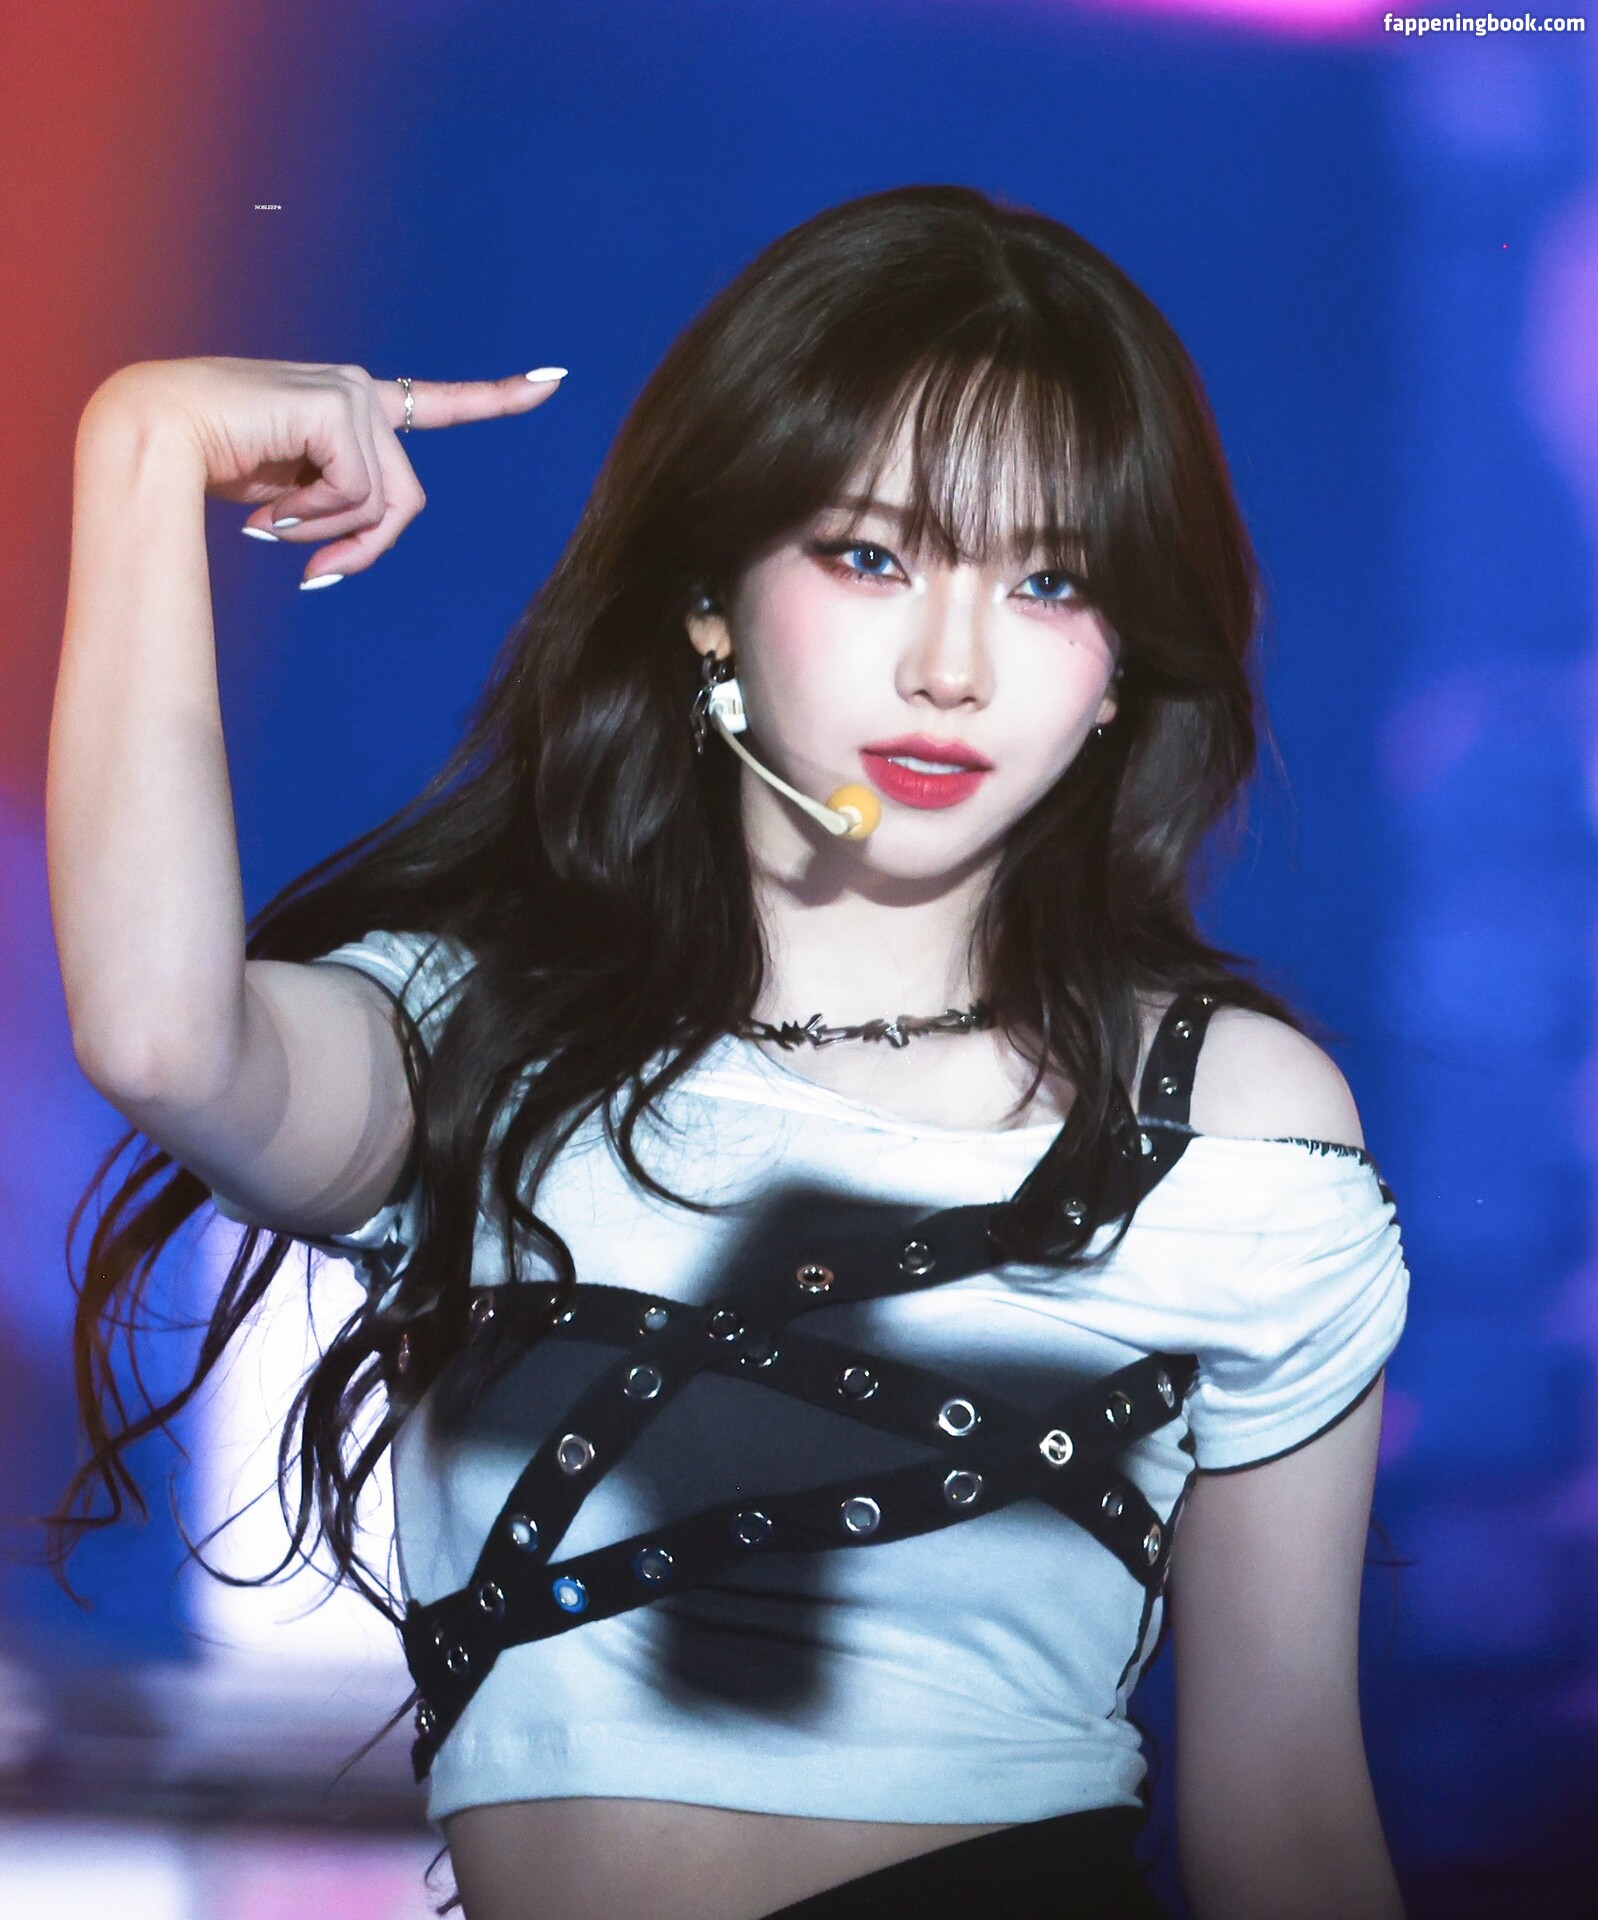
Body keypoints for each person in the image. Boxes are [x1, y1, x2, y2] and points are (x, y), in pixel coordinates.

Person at [47, 185, 1409, 1920]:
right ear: (712, 599)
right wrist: (143, 446)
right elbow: (162, 1040)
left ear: (1120, 670)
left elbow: (1285, 1816)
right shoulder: (485, 1041)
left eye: (1049, 581)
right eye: (870, 556)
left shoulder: (1224, 1127)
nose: (950, 667)